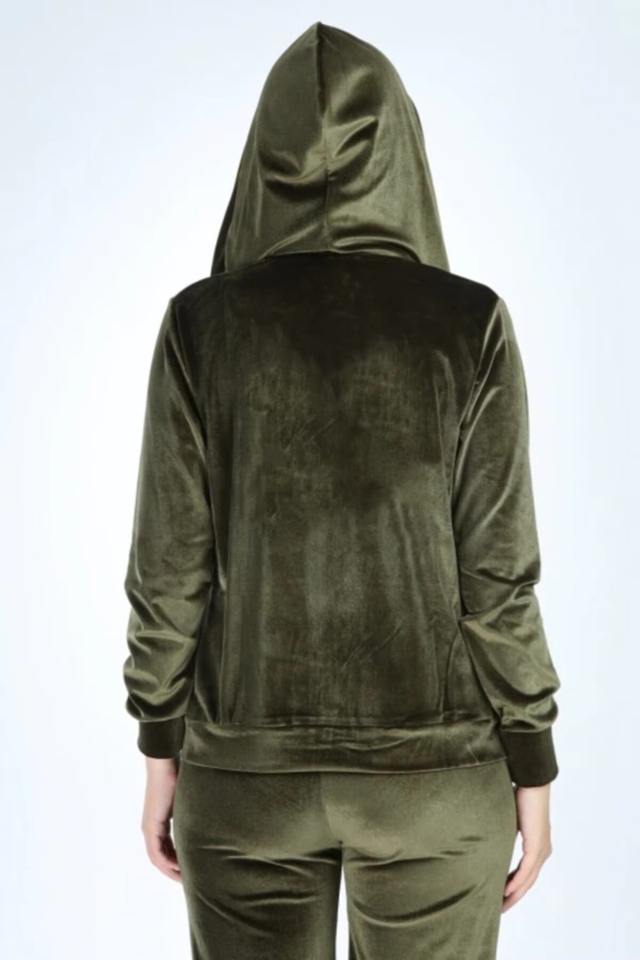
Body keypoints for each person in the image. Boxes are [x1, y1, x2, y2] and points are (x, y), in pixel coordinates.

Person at [122, 20, 561, 960]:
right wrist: (532, 756)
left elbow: (168, 572)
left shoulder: (201, 325)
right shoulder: (468, 324)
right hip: (436, 778)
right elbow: (497, 580)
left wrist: (161, 746)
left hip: (245, 776)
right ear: (401, 150)